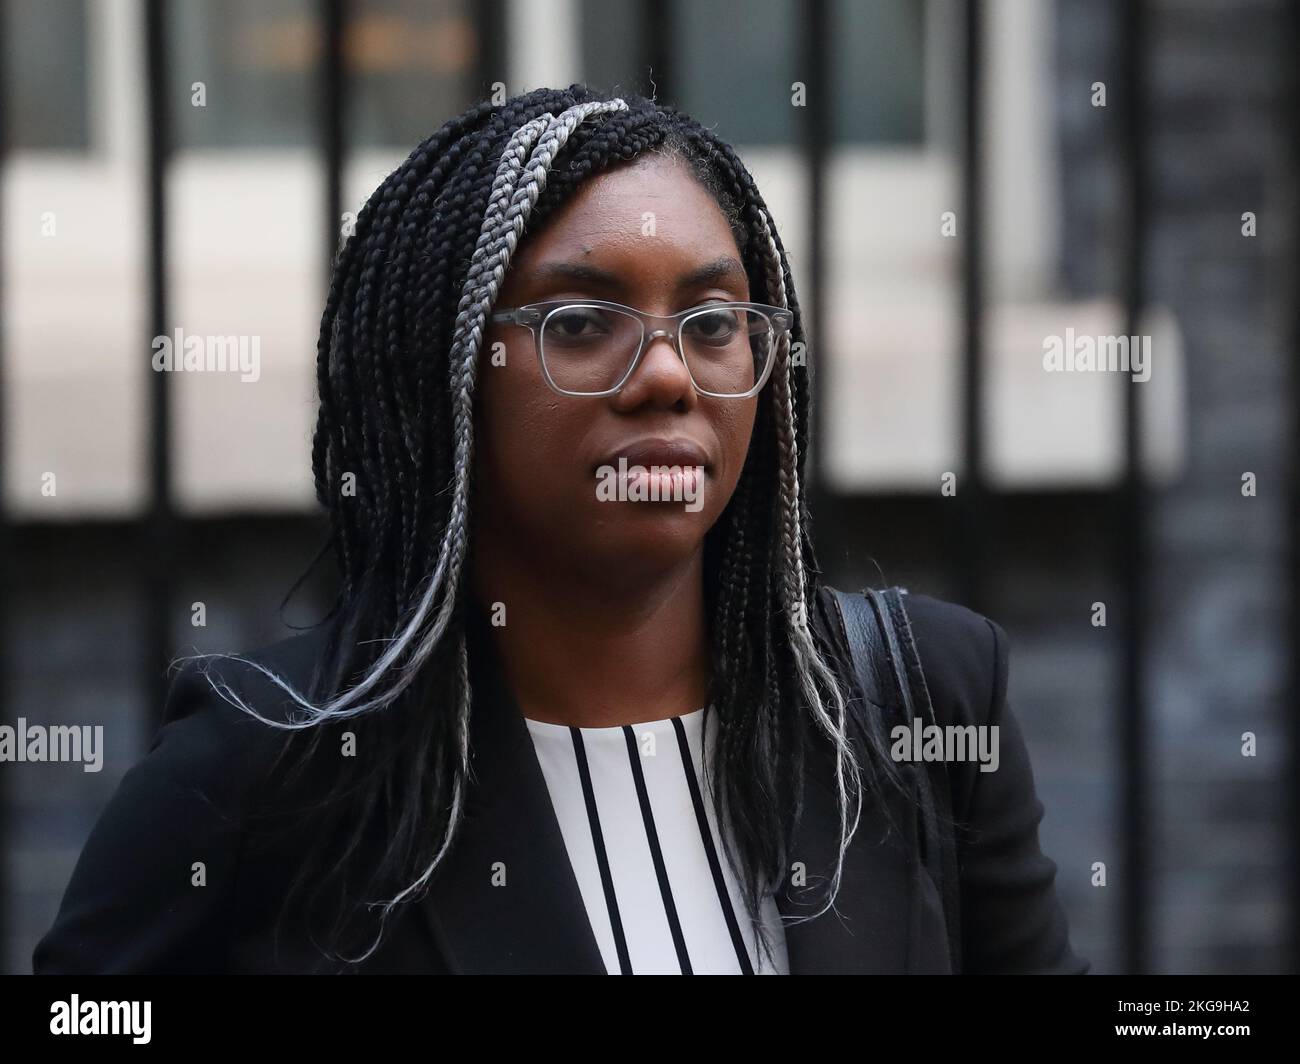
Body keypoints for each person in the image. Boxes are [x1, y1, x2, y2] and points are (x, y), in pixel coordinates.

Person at [32, 85, 1088, 975]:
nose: (670, 373)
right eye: (580, 324)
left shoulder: (923, 697)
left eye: (714, 322)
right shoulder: (266, 770)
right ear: (441, 383)